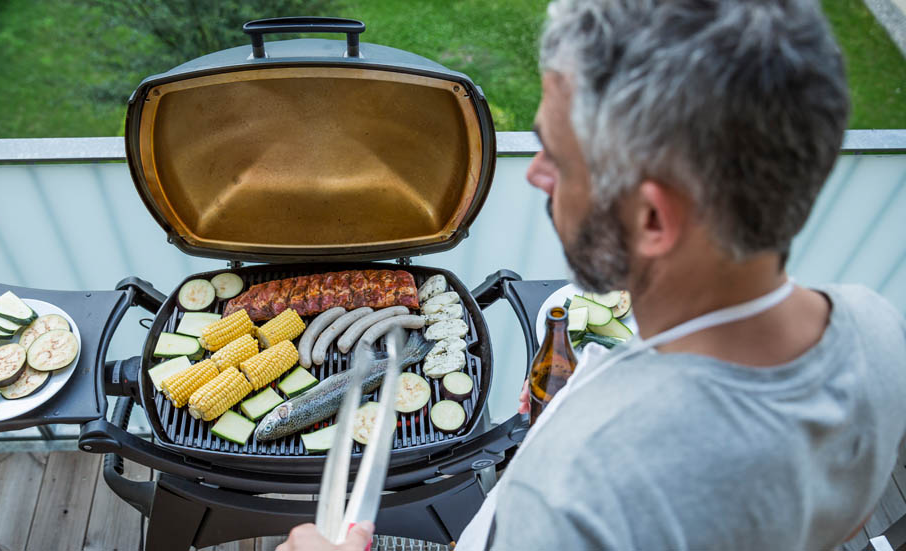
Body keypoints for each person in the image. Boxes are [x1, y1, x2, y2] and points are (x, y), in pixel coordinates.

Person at [279, 0, 906, 549]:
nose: (535, 173)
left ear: (653, 217)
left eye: (558, 155)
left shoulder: (570, 498)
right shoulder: (876, 330)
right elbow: (844, 520)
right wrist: (580, 395)